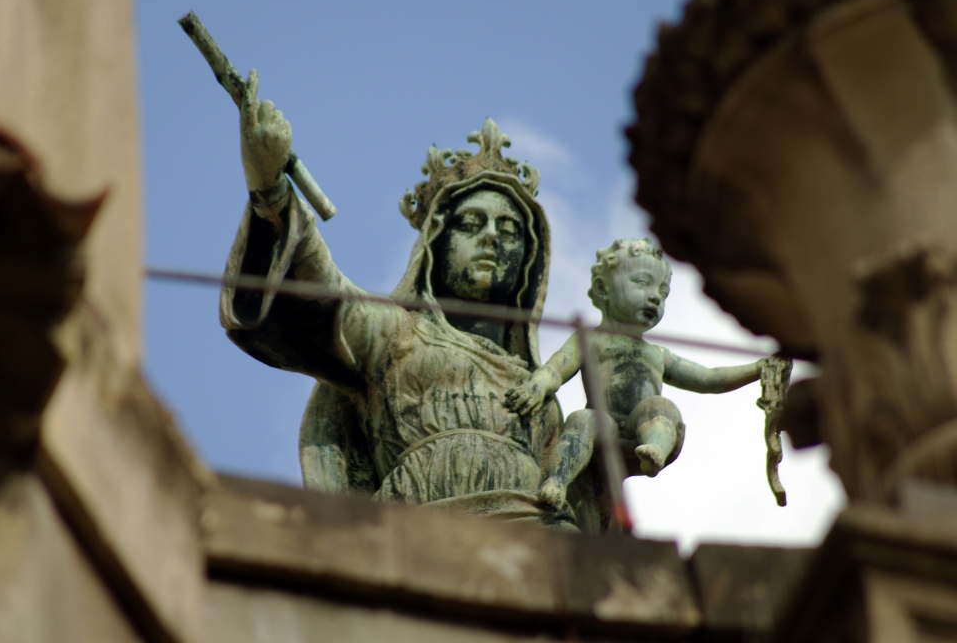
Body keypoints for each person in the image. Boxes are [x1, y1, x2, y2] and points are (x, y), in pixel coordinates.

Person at [219, 69, 573, 527]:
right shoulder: (395, 334)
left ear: (529, 261)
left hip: (536, 537)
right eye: (470, 224)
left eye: (508, 230)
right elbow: (325, 291)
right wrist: (271, 191)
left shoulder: (541, 393)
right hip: (412, 536)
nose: (491, 237)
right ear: (436, 243)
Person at [504, 238, 770, 511]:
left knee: (661, 407)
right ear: (603, 288)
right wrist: (538, 385)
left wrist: (756, 369)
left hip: (640, 428)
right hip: (602, 423)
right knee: (581, 419)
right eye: (642, 283)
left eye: (663, 293)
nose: (655, 297)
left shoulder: (657, 354)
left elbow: (708, 378)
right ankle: (557, 480)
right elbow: (556, 368)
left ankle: (655, 449)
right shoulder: (590, 340)